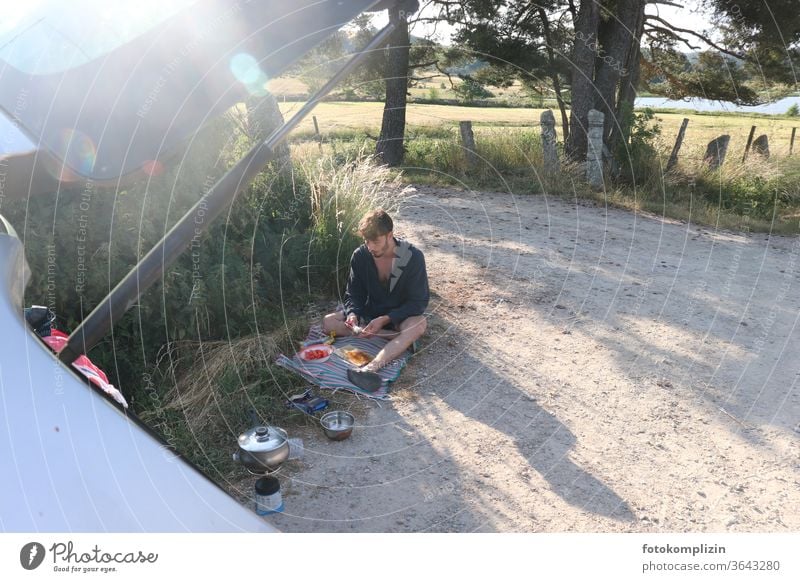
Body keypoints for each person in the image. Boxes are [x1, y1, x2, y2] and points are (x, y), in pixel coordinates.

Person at [323, 209, 428, 391]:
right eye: (367, 241)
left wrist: (386, 319)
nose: (371, 246)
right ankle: (396, 340)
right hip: (368, 316)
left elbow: (418, 302)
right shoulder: (360, 255)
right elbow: (353, 293)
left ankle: (372, 368)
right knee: (327, 322)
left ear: (390, 235)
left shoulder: (413, 257)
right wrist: (353, 314)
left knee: (419, 324)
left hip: (399, 318)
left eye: (376, 241)